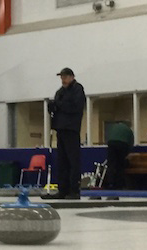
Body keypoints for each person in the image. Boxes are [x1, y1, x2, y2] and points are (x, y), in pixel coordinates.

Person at [42, 68, 86, 200]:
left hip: (71, 129)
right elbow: (58, 106)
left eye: (65, 77)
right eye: (61, 77)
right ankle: (63, 189)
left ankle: (74, 190)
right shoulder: (60, 92)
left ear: (71, 77)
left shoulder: (77, 90)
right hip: (60, 129)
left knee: (73, 161)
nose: (63, 80)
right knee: (62, 161)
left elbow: (75, 107)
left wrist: (59, 105)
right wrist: (52, 107)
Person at [102, 121, 133, 194]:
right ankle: (119, 184)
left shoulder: (113, 127)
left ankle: (111, 183)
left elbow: (108, 138)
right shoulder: (128, 130)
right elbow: (131, 143)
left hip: (111, 143)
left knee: (111, 164)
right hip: (123, 144)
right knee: (120, 165)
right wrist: (127, 153)